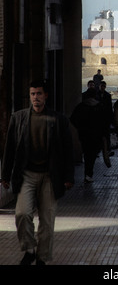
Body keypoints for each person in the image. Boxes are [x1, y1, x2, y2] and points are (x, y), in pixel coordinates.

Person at [1, 79, 74, 266]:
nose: (35, 98)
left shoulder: (58, 120)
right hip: (26, 175)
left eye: (39, 94)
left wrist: (68, 177)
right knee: (22, 214)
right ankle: (29, 249)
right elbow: (9, 148)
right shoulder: (18, 118)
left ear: (46, 96)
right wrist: (5, 175)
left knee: (47, 219)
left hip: (50, 176)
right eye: (33, 94)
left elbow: (68, 150)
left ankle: (42, 257)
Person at [71, 87, 111, 183]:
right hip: (97, 135)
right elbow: (105, 122)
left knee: (87, 153)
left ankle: (87, 173)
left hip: (84, 135)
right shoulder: (99, 107)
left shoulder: (81, 107)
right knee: (92, 154)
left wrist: (80, 128)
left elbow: (73, 119)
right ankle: (89, 173)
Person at [96, 81, 114, 157]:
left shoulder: (107, 95)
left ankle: (107, 149)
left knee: (106, 135)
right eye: (101, 86)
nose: (102, 87)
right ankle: (99, 150)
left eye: (103, 86)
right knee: (99, 135)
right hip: (98, 118)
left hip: (105, 119)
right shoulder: (96, 95)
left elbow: (109, 108)